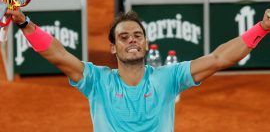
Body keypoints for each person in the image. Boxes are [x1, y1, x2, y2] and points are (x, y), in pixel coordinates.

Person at [6, 9, 270, 132]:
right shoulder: (97, 81)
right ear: (113, 48)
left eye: (137, 35)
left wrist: (262, 27)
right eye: (124, 37)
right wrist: (25, 22)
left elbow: (218, 58)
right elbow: (58, 54)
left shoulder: (168, 78)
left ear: (145, 42)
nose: (132, 40)